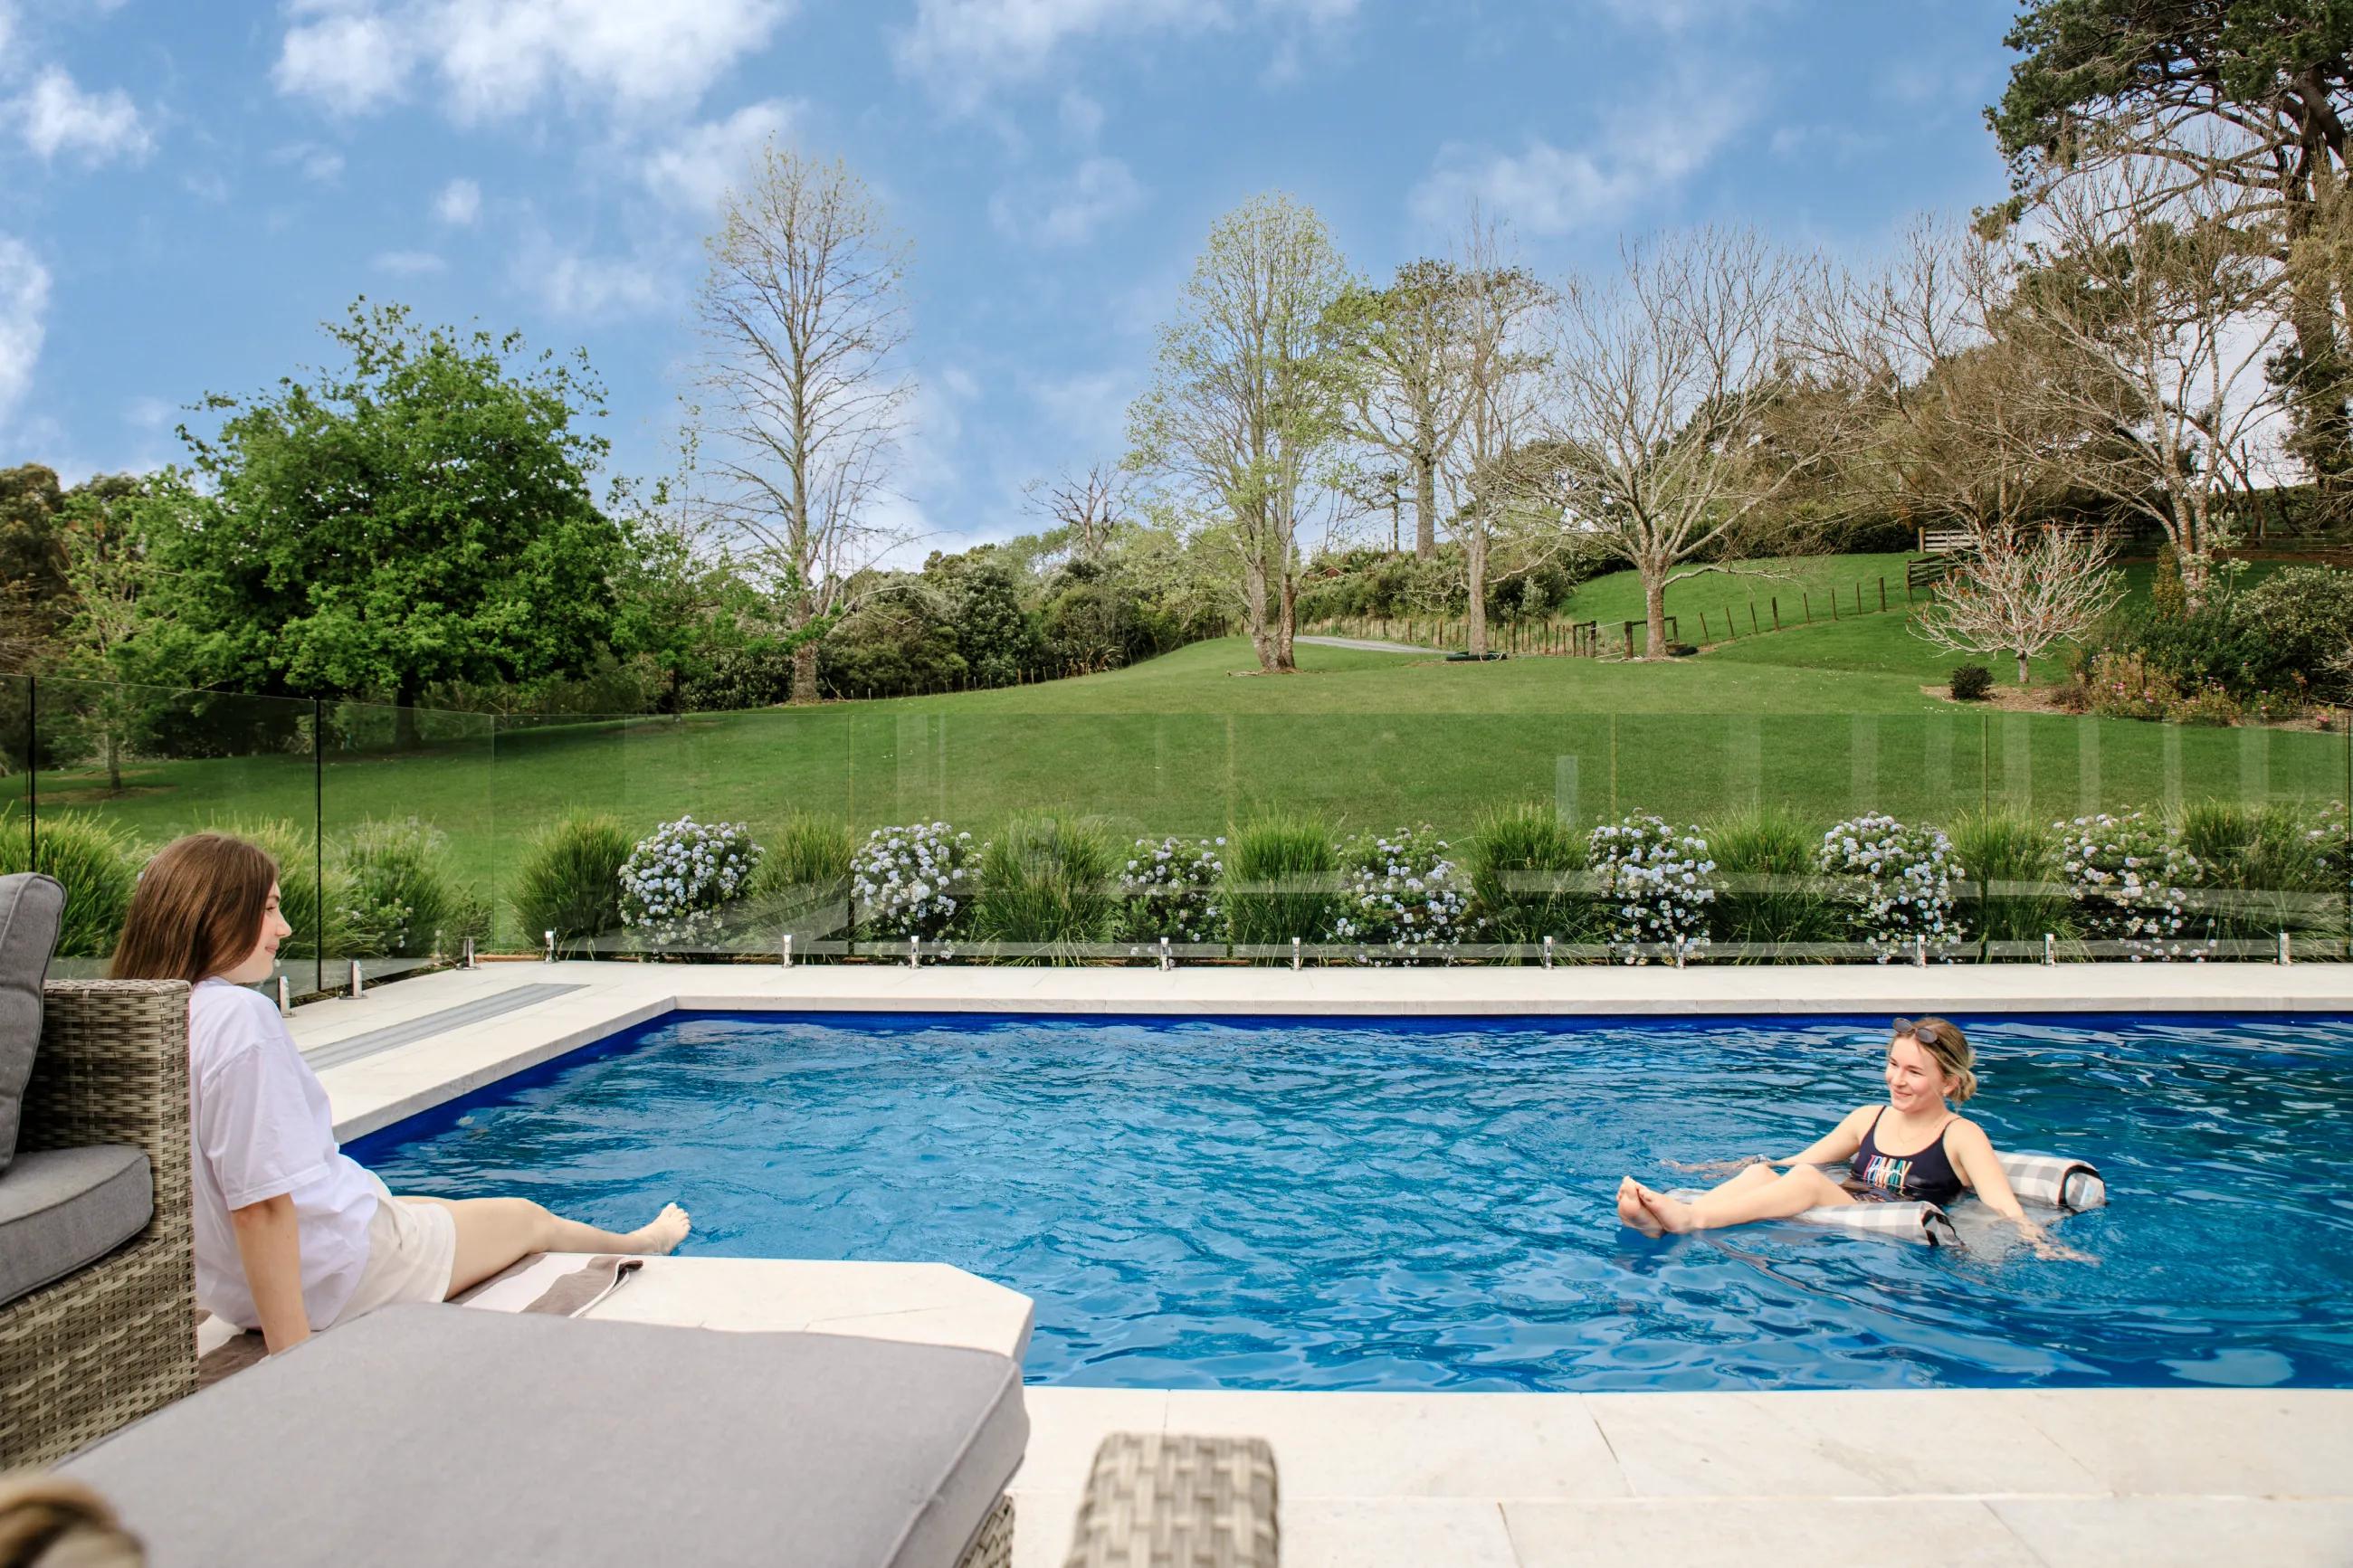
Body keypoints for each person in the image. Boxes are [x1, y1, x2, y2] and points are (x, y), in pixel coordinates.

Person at [110, 832, 691, 1354]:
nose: (284, 928)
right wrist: (291, 1361)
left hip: (237, 1285)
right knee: (525, 1217)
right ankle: (644, 1243)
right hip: (340, 1274)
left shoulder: (139, 1017)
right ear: (212, 913)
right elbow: (260, 1202)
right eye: (268, 908)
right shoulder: (239, 1017)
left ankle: (623, 1238)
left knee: (430, 1209)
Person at [1615, 1016, 2086, 1260]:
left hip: (1889, 1218)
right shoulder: (1869, 1118)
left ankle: (1689, 1218)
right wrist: (1715, 1170)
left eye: (1915, 1072)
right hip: (1845, 1200)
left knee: (1805, 1181)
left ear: (1947, 1083)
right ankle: (1658, 1224)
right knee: (1766, 1172)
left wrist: (2038, 1240)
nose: (1898, 1080)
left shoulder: (1961, 1135)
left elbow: (2003, 1205)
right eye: (1893, 1065)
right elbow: (1789, 1161)